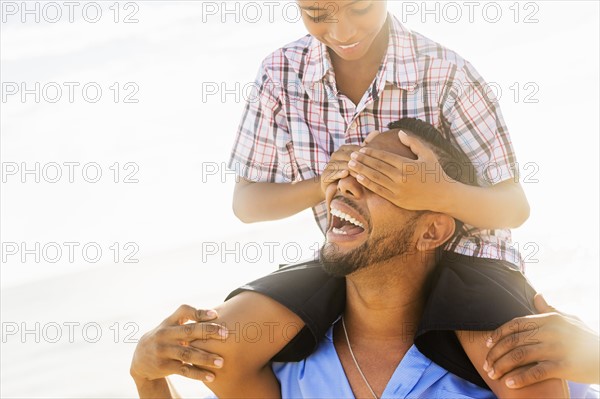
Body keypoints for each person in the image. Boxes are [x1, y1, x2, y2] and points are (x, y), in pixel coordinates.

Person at [131, 126, 596, 398]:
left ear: (431, 230)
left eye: (380, 179)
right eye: (347, 171)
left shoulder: (514, 357)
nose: (346, 186)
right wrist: (146, 377)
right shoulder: (295, 374)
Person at [226, 0, 534, 391]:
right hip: (359, 262)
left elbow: (514, 207)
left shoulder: (446, 72)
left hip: (468, 262)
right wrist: (325, 182)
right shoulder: (280, 74)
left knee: (520, 366)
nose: (342, 33)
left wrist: (438, 191)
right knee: (221, 339)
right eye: (318, 15)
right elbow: (247, 204)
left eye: (360, 9)